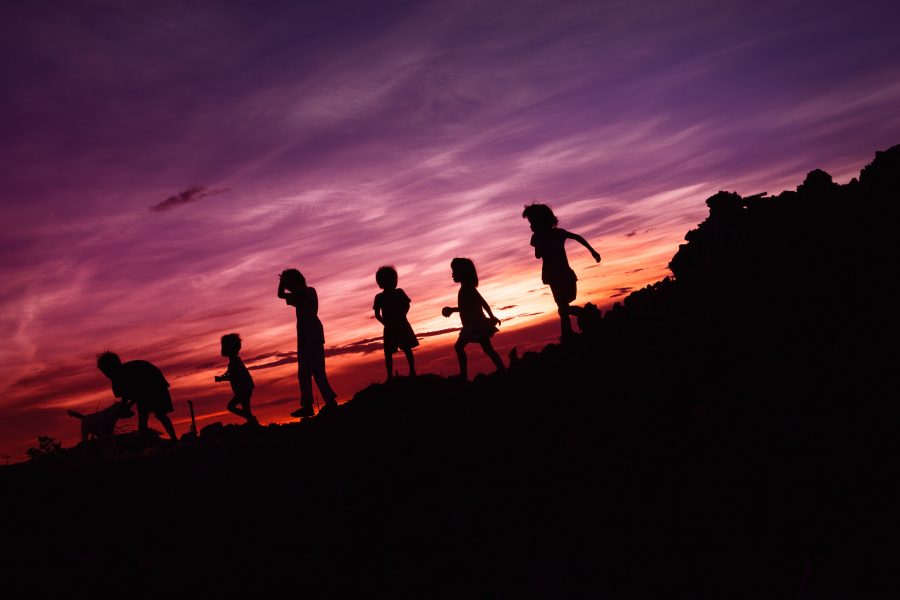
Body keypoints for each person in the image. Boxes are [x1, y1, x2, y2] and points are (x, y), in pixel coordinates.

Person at [522, 203, 602, 340]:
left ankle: (583, 316)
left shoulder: (550, 235)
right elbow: (539, 254)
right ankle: (568, 334)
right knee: (563, 308)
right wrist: (593, 251)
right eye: (530, 223)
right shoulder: (548, 235)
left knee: (563, 308)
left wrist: (593, 251)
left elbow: (538, 255)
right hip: (556, 276)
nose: (531, 226)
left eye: (532, 222)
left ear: (541, 221)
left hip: (560, 275)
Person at [278, 269, 338, 418]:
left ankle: (330, 401)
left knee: (317, 370)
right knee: (303, 373)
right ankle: (307, 406)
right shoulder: (297, 296)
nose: (288, 289)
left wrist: (289, 284)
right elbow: (280, 295)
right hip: (304, 339)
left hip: (314, 336)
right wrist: (283, 282)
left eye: (289, 284)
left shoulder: (309, 291)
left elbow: (303, 295)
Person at [441, 258, 505, 381]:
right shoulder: (465, 288)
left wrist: (491, 316)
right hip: (475, 324)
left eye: (455, 271)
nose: (453, 274)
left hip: (474, 325)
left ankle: (463, 375)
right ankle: (502, 369)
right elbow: (466, 308)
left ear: (463, 273)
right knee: (487, 349)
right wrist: (452, 310)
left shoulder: (467, 288)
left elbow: (482, 302)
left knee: (459, 347)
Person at [96, 351, 178, 443]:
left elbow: (134, 393)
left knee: (156, 413)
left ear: (111, 368)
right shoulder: (118, 376)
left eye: (106, 371)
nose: (106, 374)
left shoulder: (124, 373)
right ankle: (144, 439)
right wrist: (125, 406)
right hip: (148, 387)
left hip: (154, 385)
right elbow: (128, 395)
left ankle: (171, 439)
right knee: (146, 414)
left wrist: (125, 406)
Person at [373, 266, 418, 380]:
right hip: (392, 327)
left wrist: (402, 315)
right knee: (389, 352)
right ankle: (390, 376)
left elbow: (407, 305)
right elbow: (377, 314)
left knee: (406, 348)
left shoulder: (399, 292)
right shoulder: (379, 297)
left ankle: (412, 372)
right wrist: (386, 323)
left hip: (400, 324)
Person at [215, 333, 258, 425]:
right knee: (246, 410)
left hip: (243, 390)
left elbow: (233, 376)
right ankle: (251, 421)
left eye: (223, 346)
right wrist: (222, 377)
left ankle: (251, 419)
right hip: (244, 389)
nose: (222, 349)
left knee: (231, 407)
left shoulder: (234, 361)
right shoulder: (235, 360)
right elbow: (231, 373)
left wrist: (221, 379)